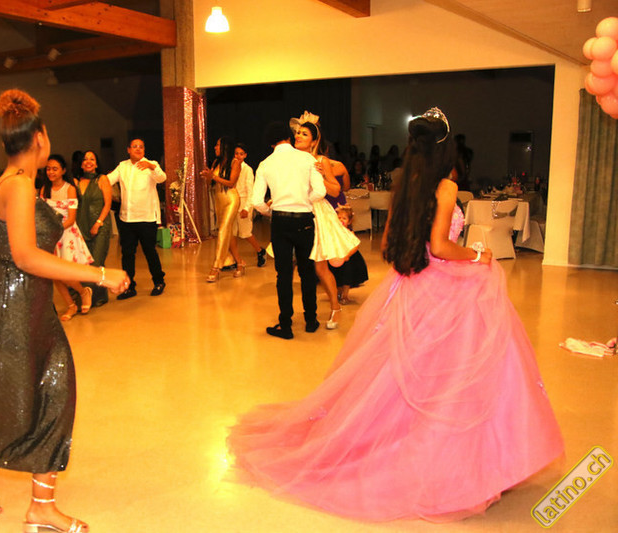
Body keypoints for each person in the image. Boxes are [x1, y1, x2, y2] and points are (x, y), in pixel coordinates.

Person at [227, 107, 564, 521]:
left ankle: (425, 443)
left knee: (404, 372)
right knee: (460, 369)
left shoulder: (406, 182)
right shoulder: (444, 186)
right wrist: (479, 256)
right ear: (445, 147)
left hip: (414, 284)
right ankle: (470, 459)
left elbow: (389, 244)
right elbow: (441, 246)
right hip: (444, 286)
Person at [0, 89, 129, 532]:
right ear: (39, 137)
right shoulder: (19, 186)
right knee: (20, 404)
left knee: (44, 397)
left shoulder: (10, 182)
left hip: (29, 310)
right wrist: (99, 274)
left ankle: (37, 504)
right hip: (14, 314)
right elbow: (24, 256)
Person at [252, 121, 326, 339]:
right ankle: (311, 320)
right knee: (307, 272)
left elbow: (256, 201)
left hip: (280, 221)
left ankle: (285, 325)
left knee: (283, 274)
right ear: (289, 136)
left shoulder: (265, 164)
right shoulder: (307, 159)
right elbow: (320, 191)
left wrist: (270, 211)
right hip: (304, 220)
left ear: (270, 142)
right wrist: (304, 201)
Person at [292, 116, 357, 329]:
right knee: (301, 266)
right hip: (296, 211)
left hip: (317, 214)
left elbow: (336, 190)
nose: (298, 136)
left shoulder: (321, 160)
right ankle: (306, 312)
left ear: (314, 141)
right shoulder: (291, 159)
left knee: (320, 268)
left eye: (304, 134)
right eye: (298, 132)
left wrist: (321, 175)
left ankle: (335, 308)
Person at [107, 138, 167, 298]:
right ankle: (129, 287)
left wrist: (151, 167)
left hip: (147, 218)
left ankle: (159, 281)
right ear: (128, 150)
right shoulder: (123, 166)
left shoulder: (151, 164)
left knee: (150, 252)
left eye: (141, 146)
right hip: (127, 219)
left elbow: (162, 178)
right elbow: (108, 180)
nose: (138, 149)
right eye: (135, 146)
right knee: (127, 254)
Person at [39, 154, 94, 320]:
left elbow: (71, 219)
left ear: (63, 170)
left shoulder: (69, 189)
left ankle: (83, 292)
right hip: (50, 236)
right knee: (54, 274)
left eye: (55, 169)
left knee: (66, 273)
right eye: (48, 169)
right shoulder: (44, 189)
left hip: (66, 234)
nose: (51, 172)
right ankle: (71, 305)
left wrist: (55, 230)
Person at [201, 137, 242, 282]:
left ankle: (216, 267)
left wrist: (213, 176)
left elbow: (231, 183)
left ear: (225, 146)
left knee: (223, 230)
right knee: (227, 233)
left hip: (231, 199)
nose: (215, 147)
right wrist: (208, 176)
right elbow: (211, 182)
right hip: (219, 199)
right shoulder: (216, 162)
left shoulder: (235, 162)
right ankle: (240, 263)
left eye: (217, 145)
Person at [77, 150, 113, 307]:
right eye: (85, 159)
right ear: (81, 164)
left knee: (96, 261)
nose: (88, 162)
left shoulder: (102, 179)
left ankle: (91, 296)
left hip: (100, 225)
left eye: (92, 159)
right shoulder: (76, 182)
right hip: (82, 225)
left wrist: (98, 223)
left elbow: (107, 203)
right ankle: (97, 295)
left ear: (96, 163)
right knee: (84, 263)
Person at [232, 143, 266, 268]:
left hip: (244, 202)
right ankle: (234, 259)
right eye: (236, 153)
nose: (238, 156)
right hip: (232, 202)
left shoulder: (247, 170)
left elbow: (250, 191)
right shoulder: (231, 166)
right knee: (232, 233)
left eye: (241, 154)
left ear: (245, 155)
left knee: (245, 232)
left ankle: (259, 250)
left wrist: (246, 208)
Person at [329, 205, 368, 304]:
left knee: (347, 277)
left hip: (348, 259)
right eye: (339, 218)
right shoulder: (333, 232)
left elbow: (355, 245)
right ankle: (338, 292)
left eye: (344, 218)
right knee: (336, 276)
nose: (341, 220)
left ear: (349, 221)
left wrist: (348, 255)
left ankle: (345, 295)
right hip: (336, 257)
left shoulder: (349, 233)